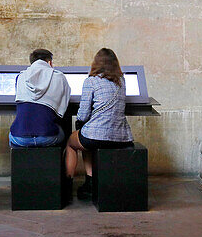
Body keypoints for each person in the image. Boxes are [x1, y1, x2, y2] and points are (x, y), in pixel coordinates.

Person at [66, 47, 133, 200]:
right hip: (121, 137)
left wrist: (81, 124)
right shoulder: (122, 81)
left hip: (95, 136)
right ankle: (92, 181)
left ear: (96, 63)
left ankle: (70, 184)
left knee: (72, 141)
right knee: (86, 135)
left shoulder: (91, 81)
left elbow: (83, 114)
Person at [8, 48, 71, 148]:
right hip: (48, 137)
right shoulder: (59, 77)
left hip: (20, 138)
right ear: (49, 63)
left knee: (13, 136)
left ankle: (21, 162)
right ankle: (57, 163)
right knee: (65, 134)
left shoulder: (20, 77)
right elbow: (63, 106)